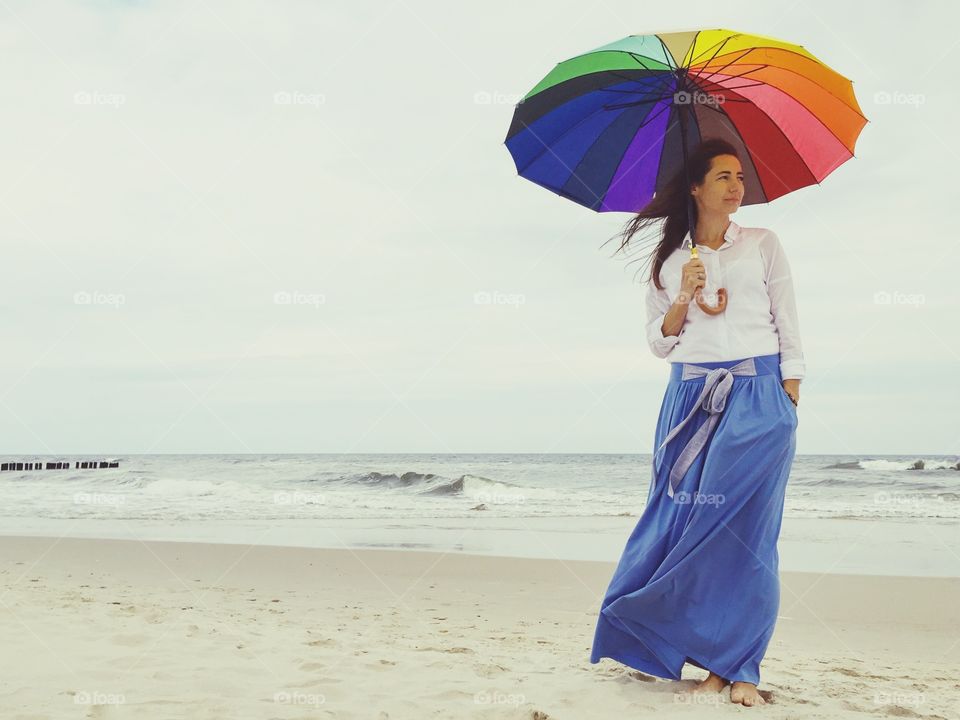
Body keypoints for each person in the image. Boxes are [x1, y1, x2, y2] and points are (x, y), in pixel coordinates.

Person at [589, 138, 803, 707]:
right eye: (723, 176)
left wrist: (789, 393)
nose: (737, 186)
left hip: (758, 394)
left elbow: (787, 318)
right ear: (695, 187)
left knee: (748, 535)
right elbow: (660, 345)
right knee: (684, 527)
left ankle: (742, 667)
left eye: (739, 175)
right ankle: (710, 658)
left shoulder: (763, 244)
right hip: (688, 396)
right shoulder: (666, 263)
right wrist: (682, 295)